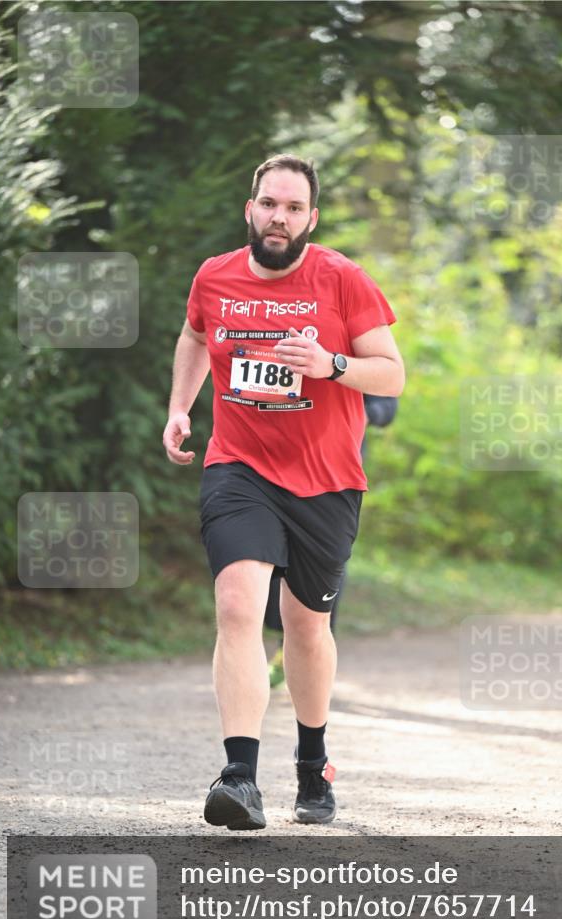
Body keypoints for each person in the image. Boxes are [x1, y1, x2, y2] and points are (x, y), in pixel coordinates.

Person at [162, 153, 404, 830]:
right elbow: (193, 334)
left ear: (311, 218)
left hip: (326, 480)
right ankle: (238, 776)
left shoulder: (342, 280)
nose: (279, 217)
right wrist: (180, 406)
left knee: (305, 625)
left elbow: (391, 376)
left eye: (294, 208)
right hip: (238, 466)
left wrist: (329, 365)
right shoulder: (214, 276)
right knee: (239, 605)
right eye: (270, 203)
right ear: (250, 209)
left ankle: (312, 762)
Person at [264, 393, 399, 641]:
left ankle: (313, 640)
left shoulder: (358, 354)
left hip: (335, 471)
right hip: (275, 461)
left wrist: (363, 416)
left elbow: (388, 403)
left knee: (326, 559)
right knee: (271, 549)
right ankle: (285, 640)